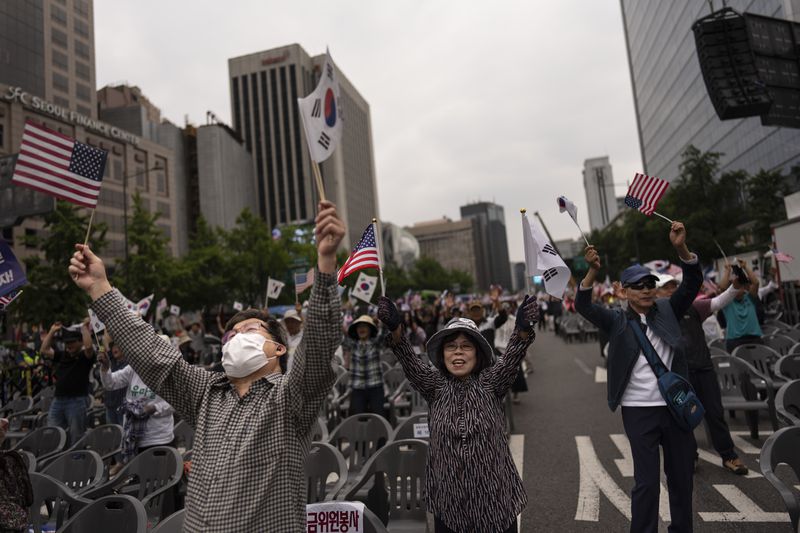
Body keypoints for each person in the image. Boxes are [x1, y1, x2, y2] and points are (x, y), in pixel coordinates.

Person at [68, 200, 345, 532]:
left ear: (279, 348)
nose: (238, 337)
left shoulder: (290, 399)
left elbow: (318, 346)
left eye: (251, 330)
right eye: (232, 333)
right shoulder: (206, 394)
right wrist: (100, 287)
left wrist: (326, 264)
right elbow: (153, 354)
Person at [576, 221, 702, 533]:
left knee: (681, 479)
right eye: (638, 285)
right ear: (623, 291)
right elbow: (583, 305)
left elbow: (693, 281)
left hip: (675, 407)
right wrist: (591, 271)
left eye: (650, 284)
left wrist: (681, 248)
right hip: (638, 410)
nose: (646, 290)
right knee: (646, 483)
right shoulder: (616, 320)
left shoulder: (669, 308)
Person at [377, 294, 539, 533]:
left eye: (466, 346)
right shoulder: (434, 384)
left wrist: (523, 331)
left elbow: (512, 358)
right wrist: (396, 329)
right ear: (442, 355)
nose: (458, 353)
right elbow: (409, 361)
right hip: (450, 508)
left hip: (496, 506)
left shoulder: (491, 382)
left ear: (478, 353)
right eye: (451, 347)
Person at [655, 271, 747, 475]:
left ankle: (729, 455)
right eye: (666, 287)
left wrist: (734, 287)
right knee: (683, 418)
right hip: (678, 375)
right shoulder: (656, 315)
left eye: (673, 286)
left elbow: (718, 302)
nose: (671, 290)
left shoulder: (694, 306)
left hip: (703, 368)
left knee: (715, 413)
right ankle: (691, 457)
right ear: (657, 293)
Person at [98, 338, 174, 472]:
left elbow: (176, 403)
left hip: (159, 437)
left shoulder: (170, 373)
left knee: (160, 480)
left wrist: (154, 408)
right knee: (140, 479)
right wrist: (105, 367)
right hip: (134, 438)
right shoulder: (135, 367)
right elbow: (110, 383)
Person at [42, 320, 95, 445]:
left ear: (80, 342)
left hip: (76, 401)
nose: (68, 345)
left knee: (76, 436)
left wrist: (83, 328)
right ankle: (57, 460)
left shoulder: (84, 357)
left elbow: (88, 347)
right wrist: (52, 331)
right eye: (66, 343)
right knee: (52, 434)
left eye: (72, 342)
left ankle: (77, 462)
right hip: (58, 400)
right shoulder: (62, 355)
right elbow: (44, 350)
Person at [342, 315, 386, 417]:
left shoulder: (376, 343)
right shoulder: (353, 344)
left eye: (365, 326)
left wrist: (383, 317)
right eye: (359, 327)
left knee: (378, 419)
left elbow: (383, 333)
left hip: (375, 386)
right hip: (357, 388)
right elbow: (341, 333)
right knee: (357, 419)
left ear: (370, 330)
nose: (362, 329)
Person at [718, 259, 763, 353]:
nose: (739, 289)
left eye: (741, 287)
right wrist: (727, 270)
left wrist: (745, 267)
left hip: (755, 339)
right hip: (735, 341)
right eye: (736, 287)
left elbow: (756, 283)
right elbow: (721, 287)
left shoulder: (750, 297)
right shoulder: (727, 301)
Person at [282, 308, 304, 372]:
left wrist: (300, 314)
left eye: (292, 321)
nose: (290, 324)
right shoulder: (284, 338)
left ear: (299, 322)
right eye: (287, 322)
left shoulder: (304, 338)